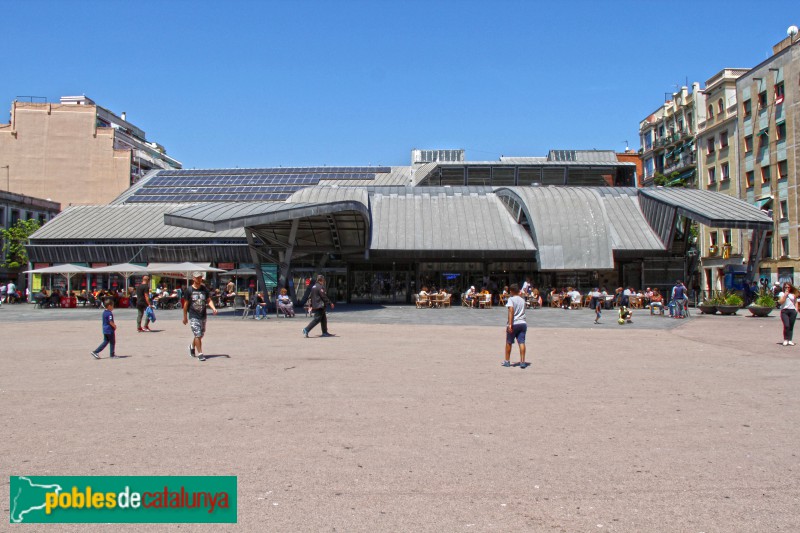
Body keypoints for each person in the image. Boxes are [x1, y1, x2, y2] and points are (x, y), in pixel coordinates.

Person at [184, 271, 218, 362]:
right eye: (197, 277)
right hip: (193, 315)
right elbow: (185, 305)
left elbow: (208, 300)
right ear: (193, 278)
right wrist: (185, 317)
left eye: (200, 277)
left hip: (203, 315)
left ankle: (192, 346)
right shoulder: (189, 290)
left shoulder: (204, 289)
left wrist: (213, 308)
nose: (199, 279)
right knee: (197, 334)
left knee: (200, 335)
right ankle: (200, 354)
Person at [502, 284, 528, 369]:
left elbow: (511, 311)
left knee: (509, 342)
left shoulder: (511, 299)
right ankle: (522, 362)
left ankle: (507, 361)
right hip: (523, 323)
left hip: (514, 323)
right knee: (521, 342)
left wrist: (510, 324)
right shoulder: (522, 300)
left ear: (512, 291)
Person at [778, 282, 799, 346]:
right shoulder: (781, 293)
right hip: (784, 311)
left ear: (790, 287)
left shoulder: (793, 294)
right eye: (785, 287)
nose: (787, 288)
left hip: (792, 311)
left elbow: (796, 302)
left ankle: (790, 340)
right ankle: (785, 339)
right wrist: (785, 295)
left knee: (791, 326)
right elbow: (781, 302)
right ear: (783, 287)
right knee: (786, 325)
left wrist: (796, 310)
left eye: (788, 287)